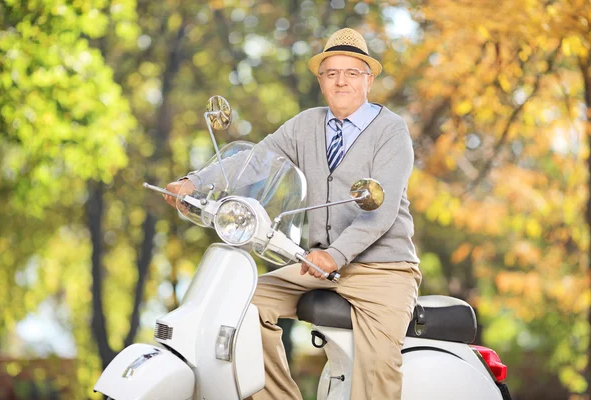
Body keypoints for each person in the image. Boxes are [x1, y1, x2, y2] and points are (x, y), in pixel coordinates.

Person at [164, 28, 421, 400]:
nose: (341, 81)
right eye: (331, 73)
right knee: (244, 306)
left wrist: (334, 254)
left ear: (369, 78)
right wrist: (196, 181)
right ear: (321, 81)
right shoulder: (306, 125)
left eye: (352, 73)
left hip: (383, 271)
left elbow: (380, 213)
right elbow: (254, 162)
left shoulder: (391, 131)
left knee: (378, 372)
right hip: (317, 267)